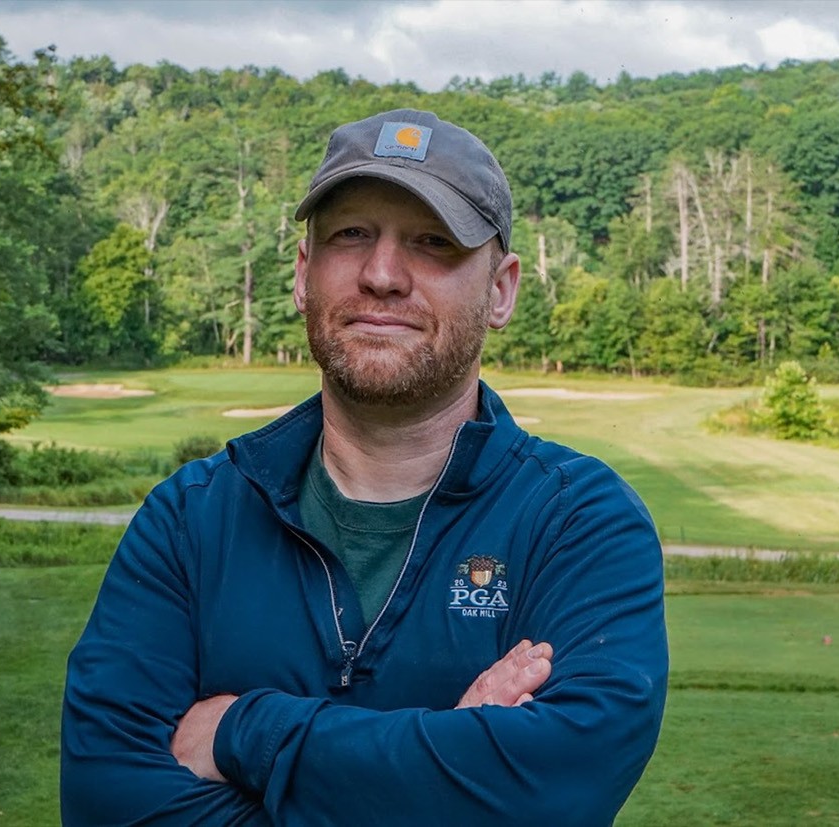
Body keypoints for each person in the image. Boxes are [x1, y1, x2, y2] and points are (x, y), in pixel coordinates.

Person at [60, 109, 669, 825]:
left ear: (501, 290)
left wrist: (243, 731)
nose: (383, 275)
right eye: (351, 234)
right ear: (302, 274)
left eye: (433, 241)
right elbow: (110, 804)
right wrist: (452, 756)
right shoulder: (191, 519)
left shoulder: (581, 523)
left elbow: (549, 792)